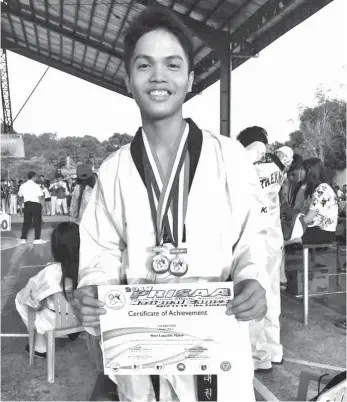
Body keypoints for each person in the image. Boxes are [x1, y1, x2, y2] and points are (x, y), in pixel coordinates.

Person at [71, 8, 268, 402]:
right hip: (142, 351)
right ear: (128, 80)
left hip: (216, 348)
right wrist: (93, 290)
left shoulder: (229, 158)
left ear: (190, 79)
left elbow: (253, 239)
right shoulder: (113, 172)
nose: (158, 76)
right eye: (145, 65)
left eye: (172, 65)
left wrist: (254, 281)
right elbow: (101, 252)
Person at [237, 127, 293, 373]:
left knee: (254, 292)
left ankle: (259, 357)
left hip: (255, 237)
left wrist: (248, 149)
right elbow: (285, 152)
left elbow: (254, 151)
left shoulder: (246, 161)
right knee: (271, 294)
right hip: (274, 237)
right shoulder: (278, 161)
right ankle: (274, 350)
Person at [15, 222, 80, 358]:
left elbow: (33, 298)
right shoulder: (92, 269)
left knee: (21, 299)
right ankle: (73, 330)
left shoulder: (52, 271)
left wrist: (32, 295)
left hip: (55, 322)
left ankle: (40, 347)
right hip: (84, 318)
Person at [300, 158, 338, 244]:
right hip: (319, 230)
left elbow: (308, 219)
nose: (300, 172)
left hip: (321, 232)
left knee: (284, 237)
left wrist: (292, 223)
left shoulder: (322, 189)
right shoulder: (318, 188)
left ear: (309, 171)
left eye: (302, 169)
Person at [18, 171, 46, 245]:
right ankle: (37, 239)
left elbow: (20, 196)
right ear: (33, 177)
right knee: (37, 222)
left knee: (26, 222)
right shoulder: (36, 186)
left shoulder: (23, 185)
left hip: (27, 204)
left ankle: (23, 238)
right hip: (36, 204)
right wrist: (42, 206)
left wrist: (20, 206)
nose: (36, 178)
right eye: (35, 177)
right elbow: (40, 196)